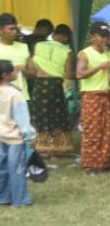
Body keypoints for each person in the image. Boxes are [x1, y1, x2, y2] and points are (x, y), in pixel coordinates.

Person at [28, 23, 74, 157]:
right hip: (55, 85)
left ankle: (41, 148)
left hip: (40, 84)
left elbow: (31, 65)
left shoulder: (39, 45)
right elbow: (69, 73)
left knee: (41, 115)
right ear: (66, 38)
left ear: (53, 35)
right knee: (57, 115)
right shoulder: (67, 51)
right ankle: (58, 148)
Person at [77, 23, 110, 173]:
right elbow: (79, 74)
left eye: (106, 36)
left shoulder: (109, 54)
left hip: (105, 94)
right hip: (91, 95)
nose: (104, 39)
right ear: (93, 37)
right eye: (101, 36)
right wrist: (99, 67)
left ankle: (103, 162)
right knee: (92, 129)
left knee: (105, 129)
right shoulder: (85, 53)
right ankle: (90, 163)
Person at [0, 59, 36, 207]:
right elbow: (23, 120)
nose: (16, 73)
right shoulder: (15, 95)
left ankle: (4, 197)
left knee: (2, 168)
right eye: (13, 71)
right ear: (6, 75)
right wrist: (30, 136)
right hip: (14, 137)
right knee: (17, 169)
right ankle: (20, 199)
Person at [0, 13, 31, 95]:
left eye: (16, 29)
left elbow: (32, 73)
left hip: (22, 96)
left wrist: (25, 71)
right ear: (1, 29)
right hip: (3, 97)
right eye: (11, 29)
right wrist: (12, 69)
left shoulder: (23, 47)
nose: (15, 32)